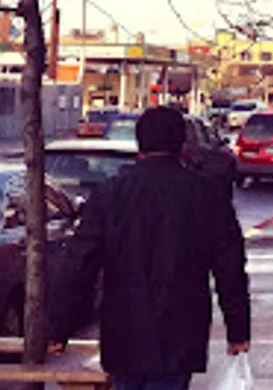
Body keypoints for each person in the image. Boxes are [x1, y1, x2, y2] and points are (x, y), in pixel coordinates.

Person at [48, 104, 250, 390]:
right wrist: (237, 329)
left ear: (139, 143)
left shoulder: (110, 194)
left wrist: (60, 327)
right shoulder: (208, 195)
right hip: (181, 331)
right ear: (182, 144)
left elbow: (79, 264)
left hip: (124, 332)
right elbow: (230, 268)